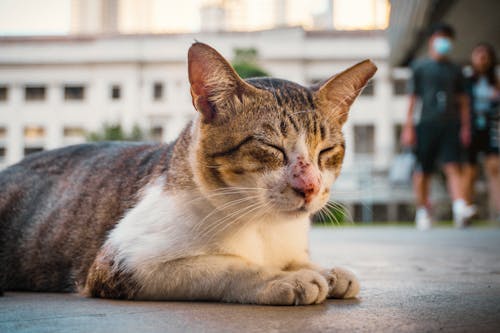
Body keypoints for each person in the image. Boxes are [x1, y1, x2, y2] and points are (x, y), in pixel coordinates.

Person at [401, 23, 472, 230]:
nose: (444, 42)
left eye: (447, 38)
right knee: (423, 170)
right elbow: (412, 99)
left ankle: (460, 208)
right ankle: (423, 211)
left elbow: (464, 101)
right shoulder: (420, 67)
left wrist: (465, 127)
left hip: (451, 123)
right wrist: (408, 127)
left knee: (453, 166)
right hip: (426, 124)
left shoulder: (456, 69)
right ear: (432, 40)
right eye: (440, 37)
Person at [462, 43, 500, 221]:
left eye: (486, 54)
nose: (482, 57)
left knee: (495, 169)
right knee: (470, 171)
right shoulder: (467, 80)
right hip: (472, 130)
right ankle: (466, 210)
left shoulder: (497, 81)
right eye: (478, 53)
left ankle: (498, 210)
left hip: (491, 128)